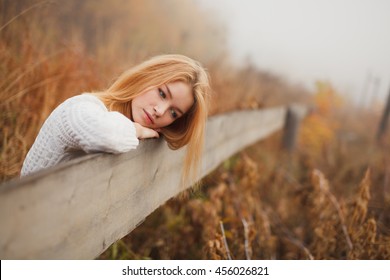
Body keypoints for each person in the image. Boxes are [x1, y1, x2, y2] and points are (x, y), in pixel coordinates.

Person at [21, 54, 210, 187]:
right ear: (147, 76)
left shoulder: (128, 130)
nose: (160, 111)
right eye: (162, 93)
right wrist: (139, 130)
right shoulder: (82, 107)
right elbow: (105, 136)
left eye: (174, 113)